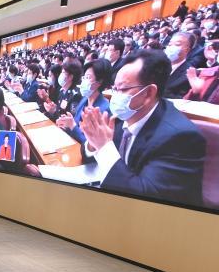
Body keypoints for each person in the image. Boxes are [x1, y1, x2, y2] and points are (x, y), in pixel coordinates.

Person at [79, 49, 206, 206]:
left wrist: (104, 147)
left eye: (122, 89)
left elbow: (144, 197)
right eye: (114, 88)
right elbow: (89, 157)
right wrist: (93, 144)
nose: (115, 97)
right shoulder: (120, 116)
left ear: (148, 93)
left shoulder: (181, 138)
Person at [57, 59, 111, 145]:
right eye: (84, 77)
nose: (84, 81)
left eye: (88, 77)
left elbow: (93, 144)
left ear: (99, 82)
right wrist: (66, 124)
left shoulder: (104, 109)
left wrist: (72, 126)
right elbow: (75, 126)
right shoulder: (84, 99)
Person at [163, 31, 198, 99]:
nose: (171, 48)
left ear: (187, 50)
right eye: (170, 45)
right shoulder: (158, 65)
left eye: (177, 45)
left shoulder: (188, 73)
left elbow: (180, 98)